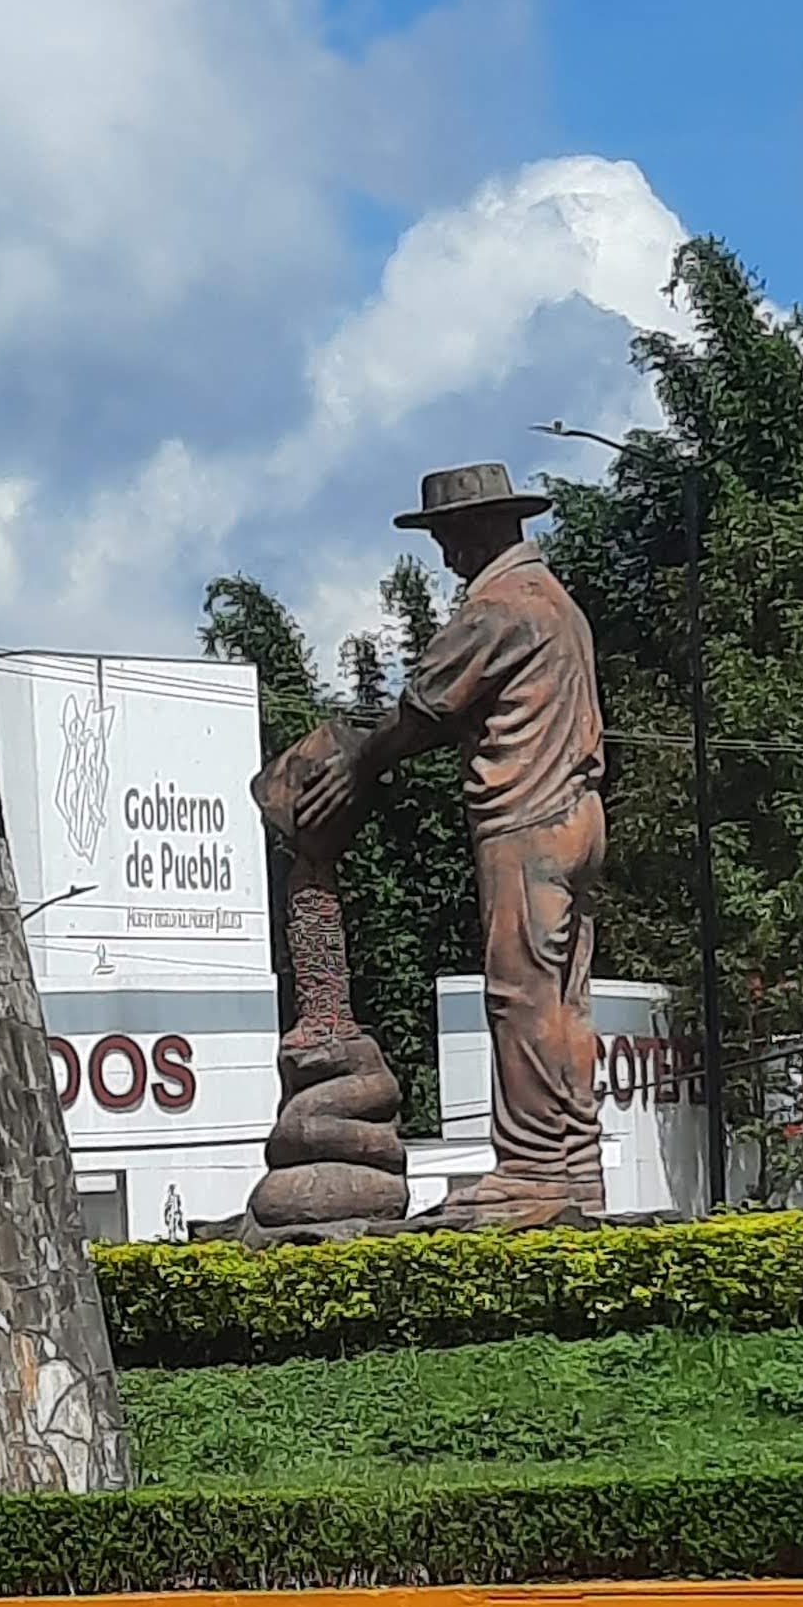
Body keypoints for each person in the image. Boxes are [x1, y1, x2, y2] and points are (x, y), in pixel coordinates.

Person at [287, 460, 606, 1224]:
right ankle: (575, 1165)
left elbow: (424, 705)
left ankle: (533, 1168)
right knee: (564, 996)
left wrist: (358, 761)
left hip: (525, 818)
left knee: (520, 993)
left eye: (450, 537)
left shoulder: (503, 606)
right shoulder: (557, 603)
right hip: (576, 816)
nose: (446, 556)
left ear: (482, 529)